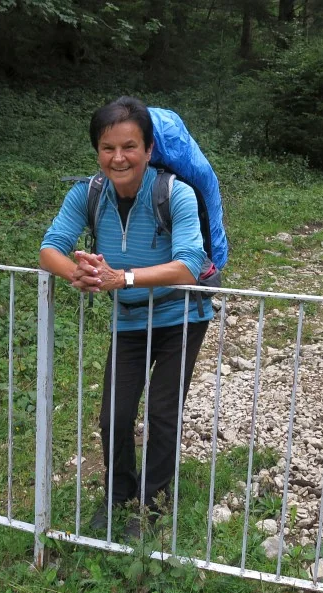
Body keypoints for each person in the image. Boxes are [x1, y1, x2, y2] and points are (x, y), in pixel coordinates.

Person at [39, 96, 213, 538]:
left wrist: (123, 278)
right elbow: (50, 248)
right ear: (97, 151)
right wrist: (78, 273)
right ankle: (118, 495)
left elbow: (189, 265)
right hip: (131, 319)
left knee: (162, 413)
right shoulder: (88, 194)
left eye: (130, 146)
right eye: (108, 147)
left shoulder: (175, 193)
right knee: (113, 417)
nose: (119, 158)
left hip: (181, 316)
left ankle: (153, 506)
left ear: (149, 149)